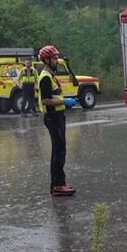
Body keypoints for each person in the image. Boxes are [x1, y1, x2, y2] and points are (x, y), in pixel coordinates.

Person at [37, 45, 76, 196]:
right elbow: (46, 100)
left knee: (60, 150)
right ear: (46, 60)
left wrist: (63, 100)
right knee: (59, 151)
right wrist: (64, 102)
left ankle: (59, 183)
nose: (57, 61)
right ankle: (58, 185)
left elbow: (54, 96)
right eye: (54, 58)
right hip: (53, 117)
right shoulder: (45, 77)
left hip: (58, 116)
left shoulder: (50, 75)